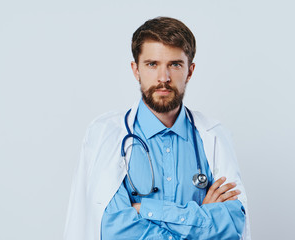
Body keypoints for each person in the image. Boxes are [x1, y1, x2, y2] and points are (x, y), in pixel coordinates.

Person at [64, 16, 251, 240]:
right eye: (152, 64)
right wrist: (202, 217)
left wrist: (144, 209)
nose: (164, 78)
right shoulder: (105, 134)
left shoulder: (214, 136)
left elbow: (231, 223)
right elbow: (115, 229)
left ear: (189, 71)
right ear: (136, 70)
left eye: (175, 64)